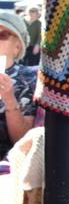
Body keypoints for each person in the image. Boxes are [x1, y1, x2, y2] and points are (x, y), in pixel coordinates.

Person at [0, 11, 37, 160]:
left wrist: (9, 99)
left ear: (17, 48)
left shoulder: (27, 79)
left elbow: (22, 141)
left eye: (2, 35)